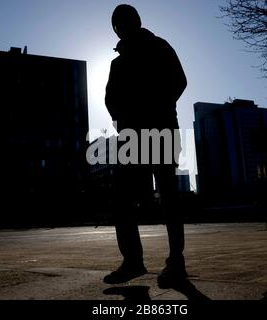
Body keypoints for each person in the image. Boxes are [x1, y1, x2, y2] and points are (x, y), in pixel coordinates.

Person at [104, 4, 188, 288]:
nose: (121, 28)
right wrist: (121, 114)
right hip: (132, 138)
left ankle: (176, 262)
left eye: (124, 23)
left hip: (161, 129)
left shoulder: (159, 46)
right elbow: (110, 98)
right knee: (122, 200)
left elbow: (179, 81)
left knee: (168, 197)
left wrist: (154, 107)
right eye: (119, 24)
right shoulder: (118, 62)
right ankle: (133, 262)